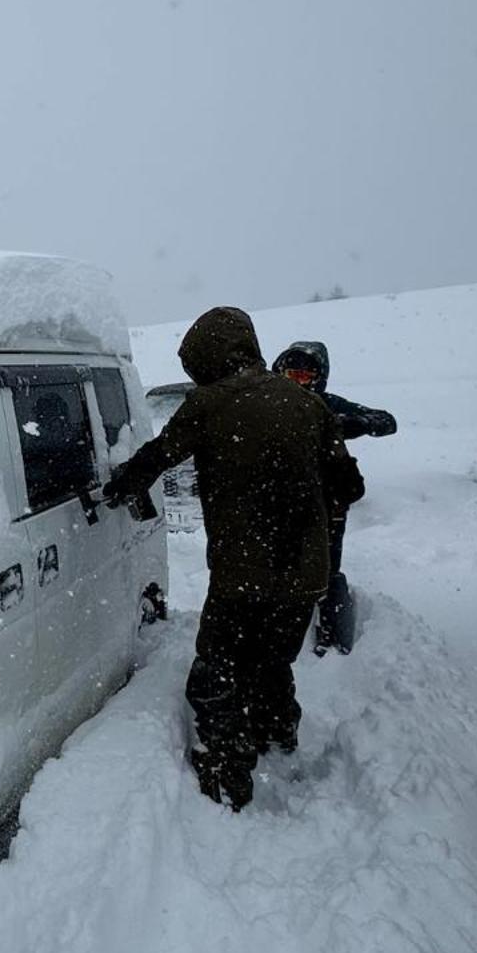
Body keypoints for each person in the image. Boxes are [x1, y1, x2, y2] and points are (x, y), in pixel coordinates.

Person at [106, 307, 363, 812]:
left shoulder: (208, 403)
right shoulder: (306, 404)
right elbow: (350, 486)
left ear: (207, 357)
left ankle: (227, 774)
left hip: (243, 571)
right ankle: (278, 737)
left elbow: (160, 455)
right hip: (304, 574)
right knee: (272, 660)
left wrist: (117, 487)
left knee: (218, 670)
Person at [270, 341, 397, 653]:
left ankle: (331, 636)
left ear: (317, 377)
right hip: (274, 498)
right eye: (290, 374)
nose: (296, 382)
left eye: (303, 376)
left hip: (327, 500)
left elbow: (386, 420)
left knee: (326, 566)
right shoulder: (267, 403)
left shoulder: (327, 404)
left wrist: (356, 423)